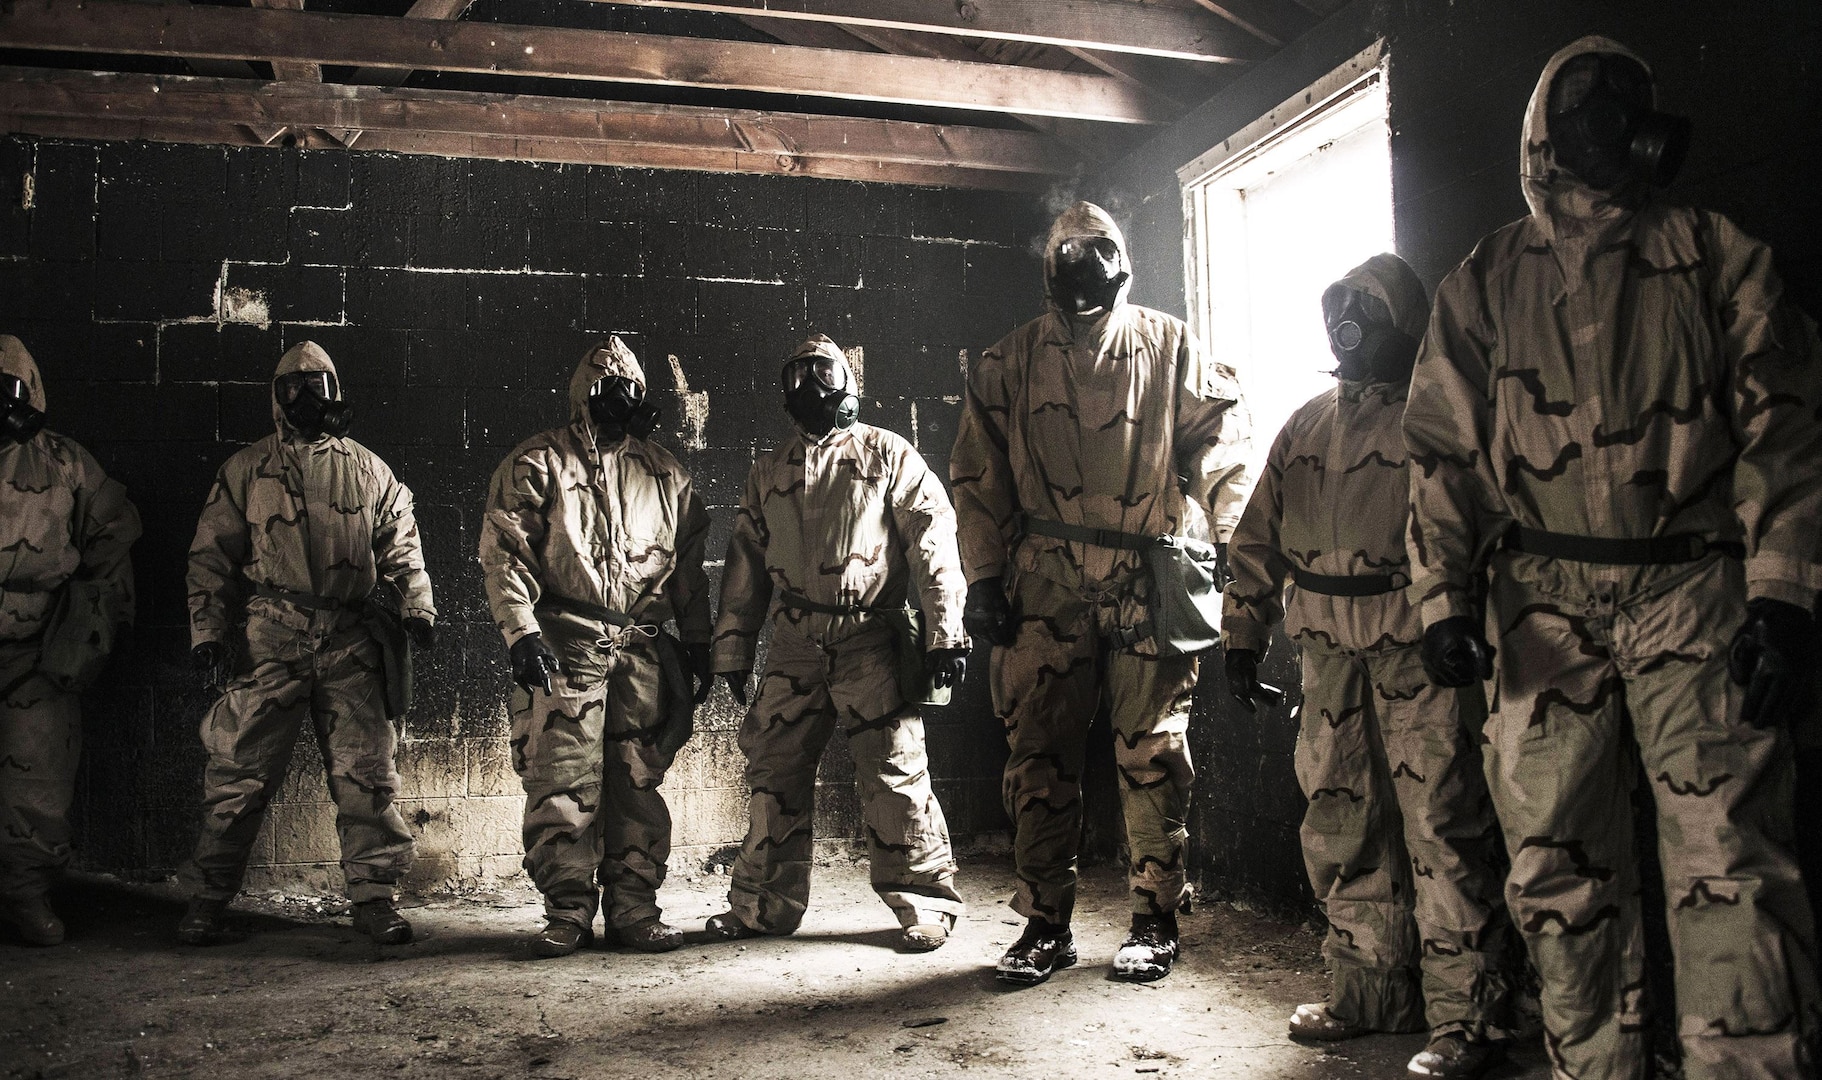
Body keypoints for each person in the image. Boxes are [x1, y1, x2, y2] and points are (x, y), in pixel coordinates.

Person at [1404, 36, 1822, 1079]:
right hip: (1538, 602)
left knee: (1730, 864)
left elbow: (1786, 429)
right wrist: (1441, 603)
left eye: (1624, 105)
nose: (1606, 125)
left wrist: (1782, 594)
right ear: (1547, 129)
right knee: (1553, 865)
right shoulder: (1488, 280)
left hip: (1693, 591)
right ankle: (1596, 1065)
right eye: (1586, 107)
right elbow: (1441, 452)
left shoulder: (1717, 256)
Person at [1224, 255, 1518, 1078]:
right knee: (1341, 823)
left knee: (1443, 829)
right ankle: (1369, 991)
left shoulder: (1438, 419)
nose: (1346, 323)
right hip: (1329, 659)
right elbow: (1256, 537)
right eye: (1337, 307)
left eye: (1366, 310)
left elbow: (1474, 528)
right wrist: (1241, 635)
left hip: (1417, 651)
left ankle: (1468, 1016)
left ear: (1406, 325)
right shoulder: (1308, 423)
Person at [950, 201, 1251, 984]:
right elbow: (978, 481)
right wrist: (982, 577)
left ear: (1122, 260)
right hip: (1045, 583)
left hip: (1149, 576)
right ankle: (1045, 921)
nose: (1082, 268)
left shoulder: (1170, 344)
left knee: (1153, 750)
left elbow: (1222, 455)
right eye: (1067, 254)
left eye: (1098, 252)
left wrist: (1236, 552)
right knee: (1038, 753)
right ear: (1047, 268)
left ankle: (1154, 916)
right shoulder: (1009, 361)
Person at [707, 334, 968, 952]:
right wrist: (733, 649)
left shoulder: (888, 454)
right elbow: (743, 563)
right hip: (796, 641)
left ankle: (925, 902)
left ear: (848, 381)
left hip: (871, 638)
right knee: (773, 770)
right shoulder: (770, 472)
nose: (808, 388)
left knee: (895, 773)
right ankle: (762, 904)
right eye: (796, 376)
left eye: (821, 373)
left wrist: (945, 630)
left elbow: (934, 539)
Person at [178, 340, 436, 946]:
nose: (304, 399)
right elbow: (208, 559)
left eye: (317, 387)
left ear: (334, 391)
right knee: (238, 774)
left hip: (350, 640)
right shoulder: (245, 472)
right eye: (292, 389)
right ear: (276, 397)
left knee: (367, 776)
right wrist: (208, 633)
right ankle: (209, 898)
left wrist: (417, 609)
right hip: (273, 638)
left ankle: (374, 899)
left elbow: (403, 545)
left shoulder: (369, 470)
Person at [480, 337, 713, 958]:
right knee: (562, 780)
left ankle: (634, 907)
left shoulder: (667, 476)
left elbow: (689, 569)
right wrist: (521, 631)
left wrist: (700, 640)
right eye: (608, 386)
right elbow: (506, 553)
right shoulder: (538, 464)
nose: (621, 398)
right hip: (566, 648)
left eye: (632, 388)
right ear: (584, 390)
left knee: (638, 779)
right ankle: (568, 909)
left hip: (640, 649)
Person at [0, 335, 140, 946]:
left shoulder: (64, 463)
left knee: (38, 778)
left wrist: (91, 626)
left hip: (36, 656)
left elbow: (113, 538)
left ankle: (22, 894)